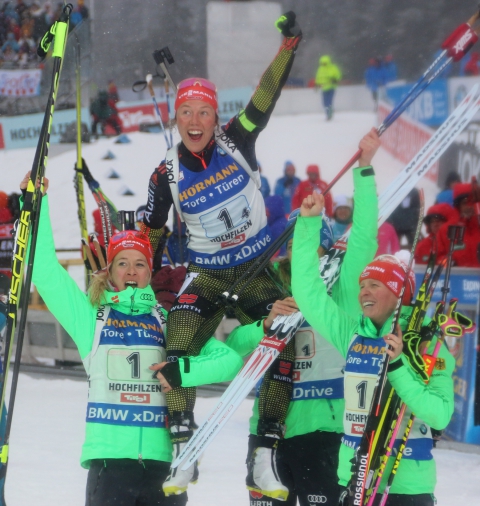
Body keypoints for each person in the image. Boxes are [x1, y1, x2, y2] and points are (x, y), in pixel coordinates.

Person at [140, 11, 303, 496]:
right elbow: (150, 235)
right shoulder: (164, 174)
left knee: (286, 339)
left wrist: (289, 44)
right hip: (207, 275)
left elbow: (265, 95)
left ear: (215, 116)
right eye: (186, 112)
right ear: (176, 116)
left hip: (254, 271)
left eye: (203, 112)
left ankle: (264, 454)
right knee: (179, 341)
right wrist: (134, 281)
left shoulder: (239, 137)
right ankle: (184, 448)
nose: (195, 121)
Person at [21, 173, 247, 506]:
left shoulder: (167, 319)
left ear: (149, 271)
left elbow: (227, 360)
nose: (130, 270)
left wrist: (179, 371)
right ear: (109, 271)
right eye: (122, 263)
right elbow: (44, 272)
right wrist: (37, 203)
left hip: (165, 465)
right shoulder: (91, 317)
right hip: (109, 465)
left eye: (139, 263)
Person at [227, 128, 380, 504]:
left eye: (310, 242)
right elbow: (234, 347)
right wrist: (263, 325)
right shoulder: (273, 292)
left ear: (325, 247)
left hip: (325, 434)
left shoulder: (341, 292)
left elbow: (363, 237)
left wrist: (364, 168)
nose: (301, 251)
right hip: (270, 436)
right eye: (294, 244)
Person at [292, 191, 455, 506]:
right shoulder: (353, 333)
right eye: (362, 285)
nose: (364, 291)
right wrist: (309, 225)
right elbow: (308, 294)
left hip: (407, 485)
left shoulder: (425, 341)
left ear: (397, 293)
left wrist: (398, 368)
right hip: (355, 478)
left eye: (375, 285)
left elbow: (440, 415)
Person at [437, 182, 480, 267]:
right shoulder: (446, 230)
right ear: (458, 206)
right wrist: (449, 263)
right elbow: (438, 258)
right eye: (464, 203)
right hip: (457, 279)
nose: (469, 206)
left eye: (471, 202)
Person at [315, 55, 342, 120]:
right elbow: (318, 78)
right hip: (324, 88)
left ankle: (329, 114)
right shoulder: (320, 69)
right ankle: (328, 112)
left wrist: (335, 79)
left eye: (325, 63)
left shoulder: (333, 68)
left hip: (331, 87)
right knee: (325, 102)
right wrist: (317, 85)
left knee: (329, 101)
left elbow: (338, 75)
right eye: (322, 63)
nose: (323, 64)